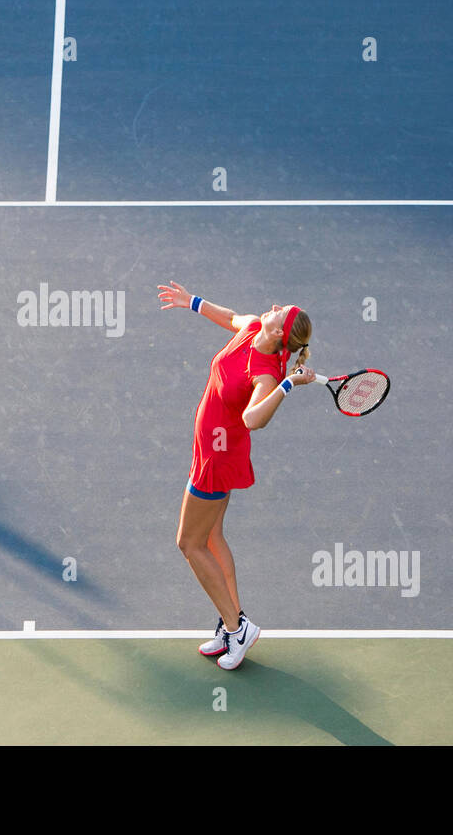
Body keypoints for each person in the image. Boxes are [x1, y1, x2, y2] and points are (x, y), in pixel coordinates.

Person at [157, 281, 315, 670]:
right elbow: (228, 316)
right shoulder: (253, 329)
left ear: (279, 332)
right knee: (211, 537)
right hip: (214, 450)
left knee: (189, 544)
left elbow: (252, 418)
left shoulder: (264, 371)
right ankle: (233, 625)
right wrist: (190, 302)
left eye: (281, 309)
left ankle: (237, 626)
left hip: (217, 457)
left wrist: (287, 383)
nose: (274, 305)